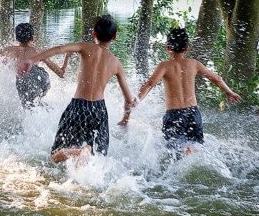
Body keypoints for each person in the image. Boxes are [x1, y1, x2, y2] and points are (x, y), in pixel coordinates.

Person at [20, 15, 136, 163]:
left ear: (93, 33)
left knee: (55, 156)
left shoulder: (84, 47)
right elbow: (128, 100)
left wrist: (32, 60)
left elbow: (59, 49)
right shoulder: (116, 63)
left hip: (78, 106)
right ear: (115, 36)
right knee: (97, 154)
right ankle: (86, 149)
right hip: (98, 110)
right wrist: (125, 120)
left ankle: (77, 151)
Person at [118, 28, 242, 157]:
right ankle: (190, 153)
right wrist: (229, 92)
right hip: (193, 113)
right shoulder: (194, 64)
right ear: (187, 48)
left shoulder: (164, 66)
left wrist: (137, 100)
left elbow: (149, 84)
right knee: (195, 150)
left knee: (175, 153)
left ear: (168, 48)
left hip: (174, 115)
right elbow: (216, 78)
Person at [0, 22, 70, 108]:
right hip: (40, 79)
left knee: (26, 107)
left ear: (17, 38)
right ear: (32, 38)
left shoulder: (9, 50)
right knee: (35, 103)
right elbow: (61, 73)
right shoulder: (38, 51)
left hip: (22, 81)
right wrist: (67, 56)